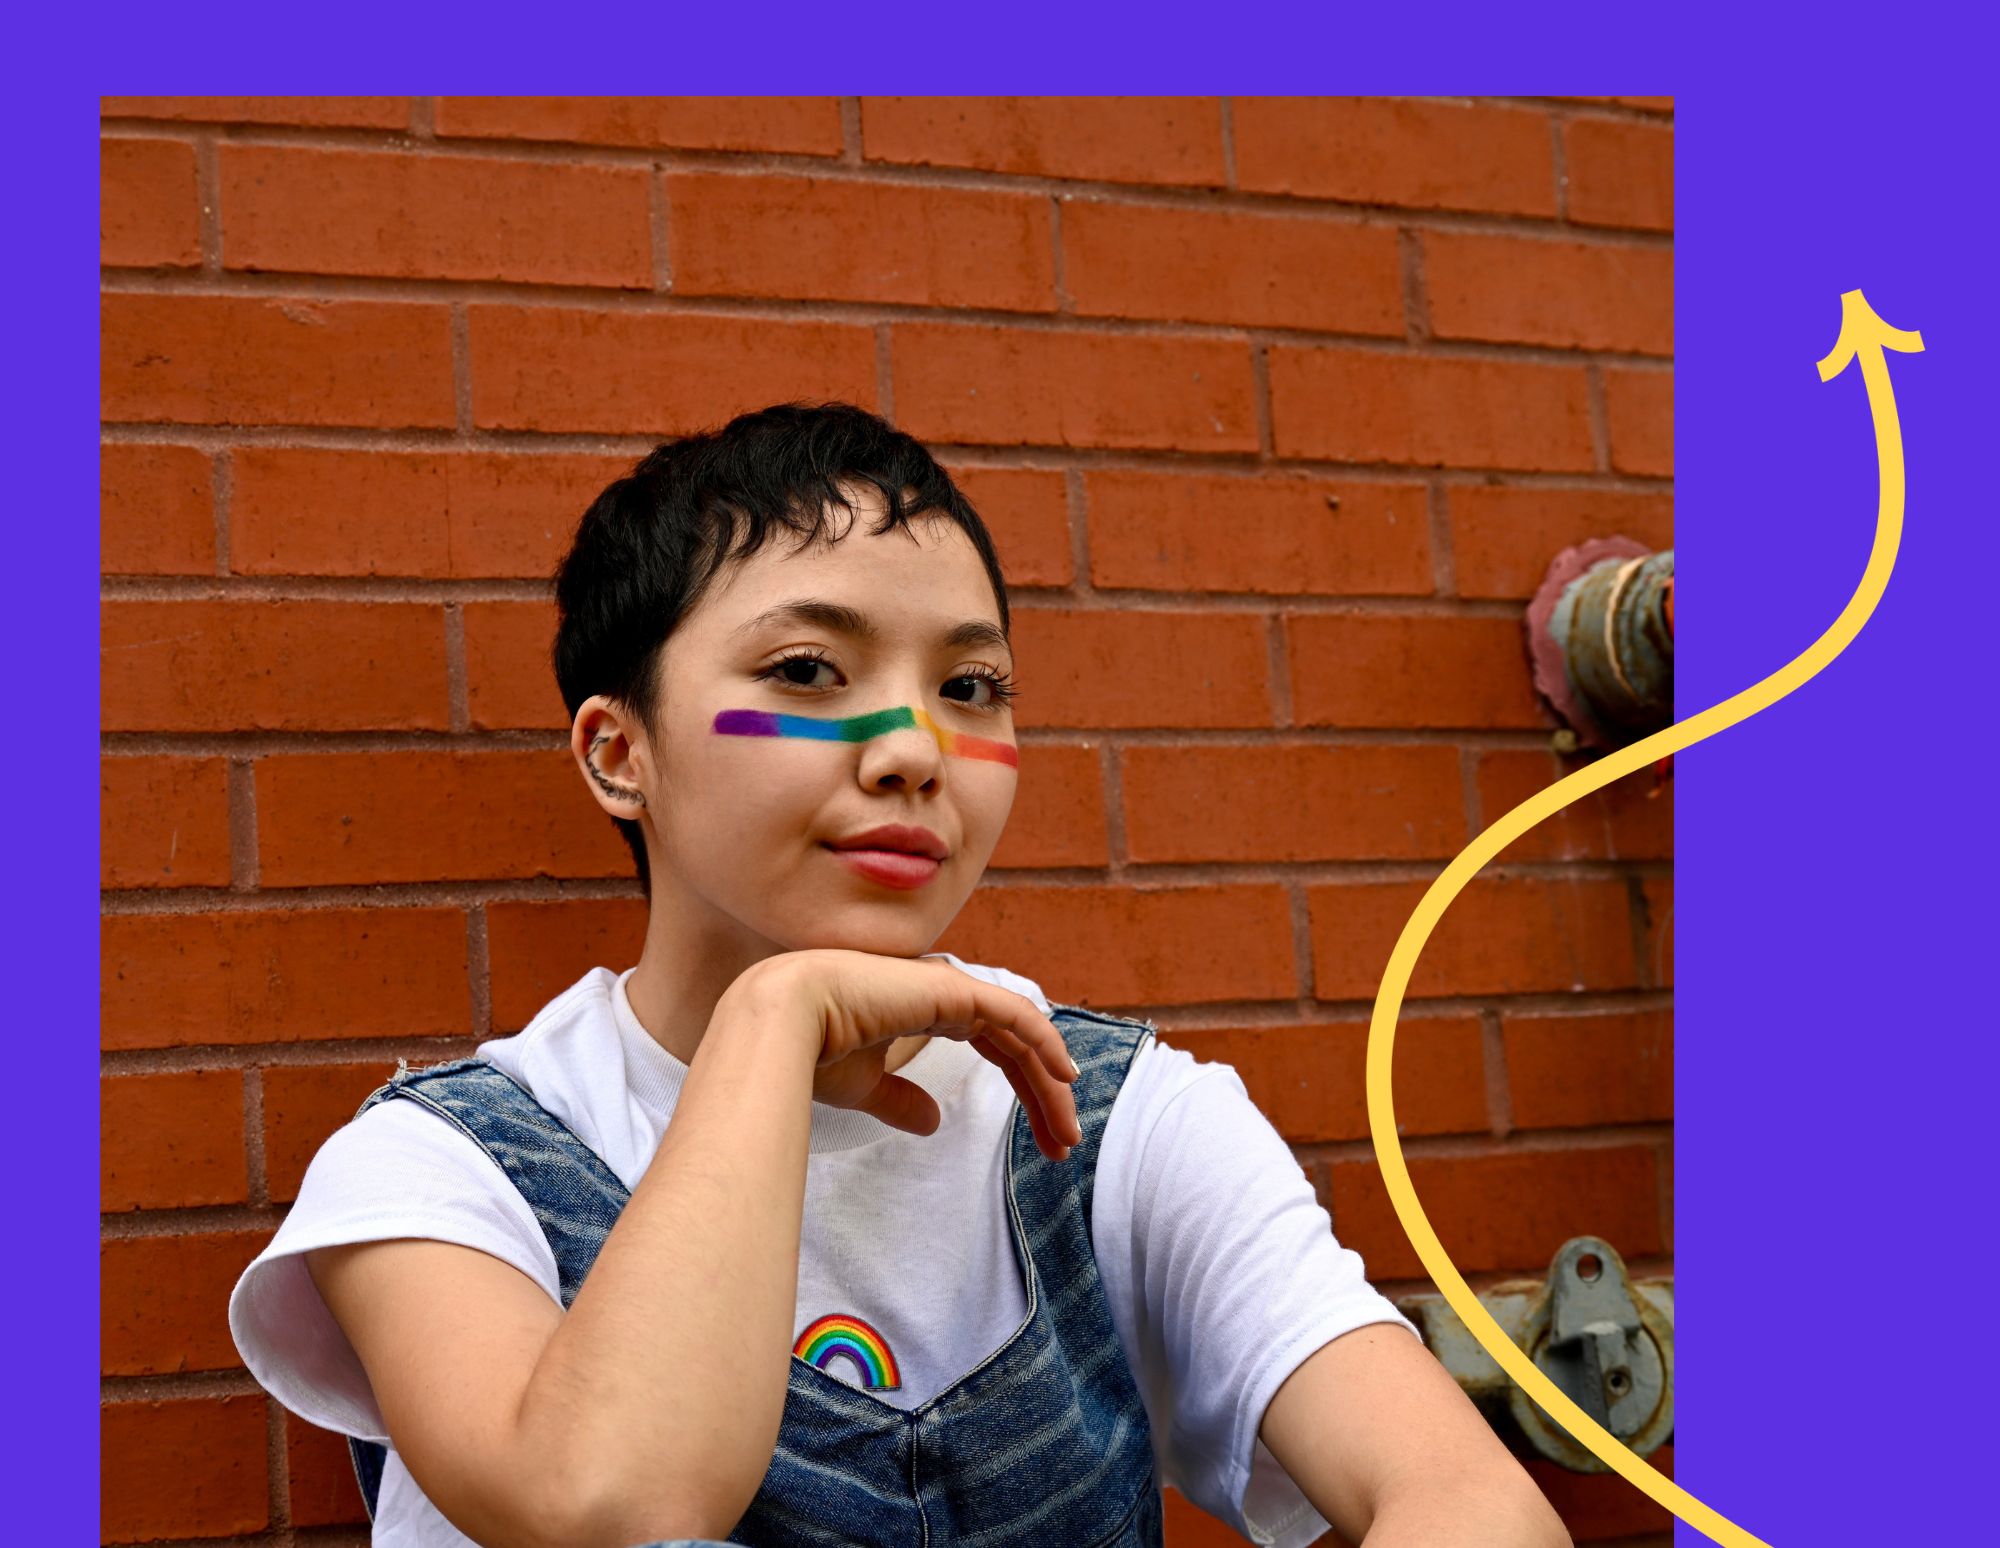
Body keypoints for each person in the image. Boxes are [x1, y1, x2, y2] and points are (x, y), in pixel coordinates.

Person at [229, 402, 1568, 1548]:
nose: (914, 748)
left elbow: (1475, 1505)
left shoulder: (1118, 1120)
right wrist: (771, 1022)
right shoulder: (441, 1170)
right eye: (808, 671)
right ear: (615, 753)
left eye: (973, 685)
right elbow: (611, 1502)